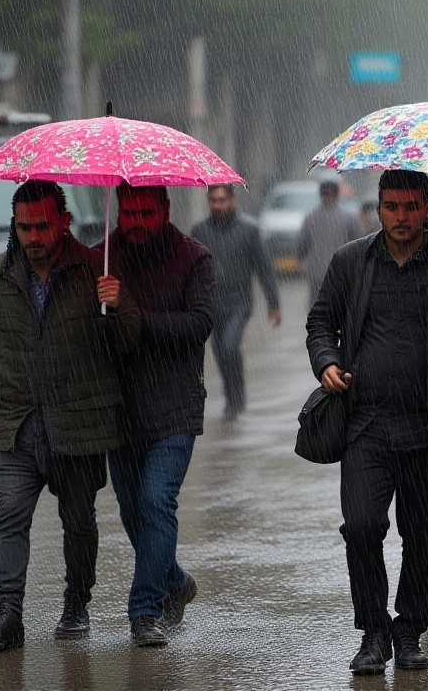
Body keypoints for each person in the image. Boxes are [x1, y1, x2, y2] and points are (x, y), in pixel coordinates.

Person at [306, 170, 428, 675]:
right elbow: (321, 321)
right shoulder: (353, 260)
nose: (402, 217)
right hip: (365, 425)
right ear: (379, 207)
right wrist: (326, 361)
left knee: (424, 534)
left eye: (412, 207)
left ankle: (408, 631)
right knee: (362, 526)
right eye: (392, 207)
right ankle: (373, 632)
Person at [0, 180, 140, 651]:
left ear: (64, 221)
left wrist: (116, 305)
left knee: (79, 522)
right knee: (10, 516)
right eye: (24, 227)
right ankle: (8, 615)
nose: (34, 237)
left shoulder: (95, 268)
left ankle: (77, 602)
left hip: (78, 424)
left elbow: (127, 343)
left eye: (43, 226)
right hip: (16, 423)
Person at [106, 183, 216, 647]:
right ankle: (175, 580)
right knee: (134, 513)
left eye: (145, 213)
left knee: (155, 502)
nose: (135, 223)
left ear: (166, 210)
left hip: (175, 408)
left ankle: (145, 611)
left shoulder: (194, 258)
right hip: (118, 410)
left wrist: (133, 313)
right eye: (128, 213)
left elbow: (198, 325)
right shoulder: (103, 258)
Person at [191, 183, 282, 420]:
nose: (218, 205)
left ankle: (237, 396)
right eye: (213, 201)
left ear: (233, 201)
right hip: (211, 305)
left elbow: (264, 268)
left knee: (230, 346)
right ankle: (230, 392)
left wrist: (274, 303)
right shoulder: (199, 231)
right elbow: (190, 269)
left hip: (240, 304)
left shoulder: (249, 230)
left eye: (222, 200)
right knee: (220, 352)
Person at [296, 180, 361, 311]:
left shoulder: (311, 218)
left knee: (317, 308)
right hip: (341, 272)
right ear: (337, 195)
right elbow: (359, 244)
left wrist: (300, 258)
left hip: (317, 273)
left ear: (320, 195)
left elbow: (301, 244)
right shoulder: (349, 218)